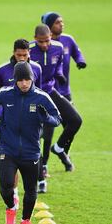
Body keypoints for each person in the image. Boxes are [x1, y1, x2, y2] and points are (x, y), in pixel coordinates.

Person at [0, 62, 61, 224]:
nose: (24, 83)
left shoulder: (42, 97)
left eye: (27, 79)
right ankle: (11, 207)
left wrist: (46, 117)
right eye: (20, 80)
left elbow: (57, 119)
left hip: (31, 152)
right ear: (15, 80)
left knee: (30, 191)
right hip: (7, 149)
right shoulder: (5, 94)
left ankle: (25, 220)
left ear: (32, 78)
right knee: (6, 186)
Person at [0, 38, 43, 208]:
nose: (21, 58)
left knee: (28, 156)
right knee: (11, 157)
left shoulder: (37, 69)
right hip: (8, 123)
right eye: (18, 55)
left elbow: (40, 91)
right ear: (13, 52)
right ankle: (14, 192)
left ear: (29, 53)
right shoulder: (3, 70)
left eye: (24, 55)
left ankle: (33, 187)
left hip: (31, 123)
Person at [29, 24, 82, 181]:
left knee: (75, 120)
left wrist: (59, 74)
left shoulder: (58, 48)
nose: (45, 45)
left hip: (51, 92)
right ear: (35, 39)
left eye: (47, 41)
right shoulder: (29, 50)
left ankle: (58, 148)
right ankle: (42, 167)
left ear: (51, 37)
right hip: (36, 95)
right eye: (41, 41)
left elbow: (59, 65)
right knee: (47, 131)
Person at [39, 12, 87, 179]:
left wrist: (80, 60)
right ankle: (43, 165)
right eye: (58, 22)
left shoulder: (67, 40)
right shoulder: (43, 45)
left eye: (62, 22)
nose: (62, 24)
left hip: (64, 92)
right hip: (50, 93)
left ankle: (61, 149)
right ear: (49, 26)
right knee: (49, 129)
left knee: (70, 126)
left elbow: (77, 53)